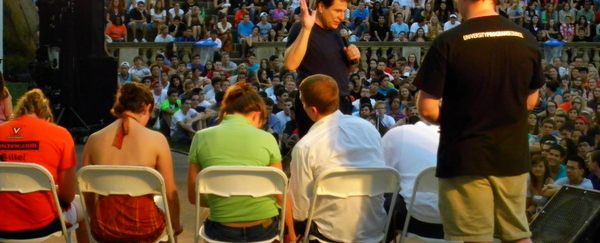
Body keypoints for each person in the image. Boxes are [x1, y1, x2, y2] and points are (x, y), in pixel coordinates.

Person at [416, 0, 544, 243]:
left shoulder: (449, 42)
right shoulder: (526, 39)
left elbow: (426, 108)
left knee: (471, 238)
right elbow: (531, 100)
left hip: (466, 157)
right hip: (512, 155)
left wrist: (460, 118)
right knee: (518, 235)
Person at [187, 82, 296, 242]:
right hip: (263, 229)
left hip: (221, 229)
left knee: (205, 214)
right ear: (257, 115)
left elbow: (193, 196)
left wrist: (224, 201)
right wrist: (292, 235)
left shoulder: (201, 137)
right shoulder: (267, 139)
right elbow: (281, 195)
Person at [289, 74, 387, 242]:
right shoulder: (369, 129)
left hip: (328, 236)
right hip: (375, 232)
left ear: (312, 110)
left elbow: (300, 211)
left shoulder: (306, 147)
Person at [82, 83, 182, 241]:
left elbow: (87, 196)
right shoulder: (157, 140)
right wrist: (176, 225)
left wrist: (96, 219)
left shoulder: (94, 140)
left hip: (104, 227)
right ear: (146, 108)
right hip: (145, 227)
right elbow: (171, 194)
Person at [0, 89, 88, 241]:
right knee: (82, 205)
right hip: (41, 225)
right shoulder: (60, 134)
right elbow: (67, 196)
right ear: (46, 117)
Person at [284, 0, 361, 136]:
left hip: (341, 102)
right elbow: (290, 64)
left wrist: (355, 58)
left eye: (344, 11)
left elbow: (344, 69)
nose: (342, 17)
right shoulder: (301, 28)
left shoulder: (340, 31)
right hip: (315, 106)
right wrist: (306, 29)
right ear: (321, 7)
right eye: (337, 11)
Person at [382, 121, 444, 239]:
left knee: (384, 196)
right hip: (458, 220)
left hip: (414, 220)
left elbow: (383, 178)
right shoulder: (457, 137)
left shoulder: (398, 133)